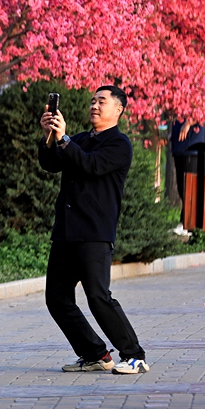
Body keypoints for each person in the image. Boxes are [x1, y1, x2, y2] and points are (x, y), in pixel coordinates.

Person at [39, 85, 149, 375]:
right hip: (66, 231)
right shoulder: (80, 139)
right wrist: (50, 136)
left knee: (98, 296)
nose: (95, 106)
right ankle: (95, 354)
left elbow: (89, 166)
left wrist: (64, 139)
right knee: (57, 299)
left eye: (102, 101)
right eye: (93, 101)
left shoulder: (119, 144)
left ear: (118, 109)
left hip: (94, 233)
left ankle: (134, 355)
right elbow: (49, 163)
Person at [169, 119, 205, 228]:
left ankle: (189, 223)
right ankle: (185, 220)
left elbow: (203, 112)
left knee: (189, 188)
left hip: (191, 147)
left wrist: (188, 123)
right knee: (182, 187)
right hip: (178, 147)